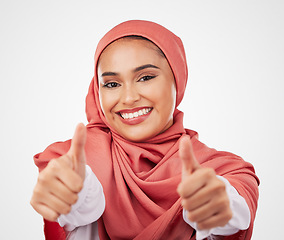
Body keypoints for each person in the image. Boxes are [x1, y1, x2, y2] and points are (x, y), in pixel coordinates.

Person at [30, 20, 259, 240]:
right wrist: (71, 191)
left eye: (146, 77)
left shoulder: (226, 170)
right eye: (112, 84)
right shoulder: (73, 160)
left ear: (177, 80)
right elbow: (81, 202)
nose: (129, 98)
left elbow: (235, 208)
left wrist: (216, 204)